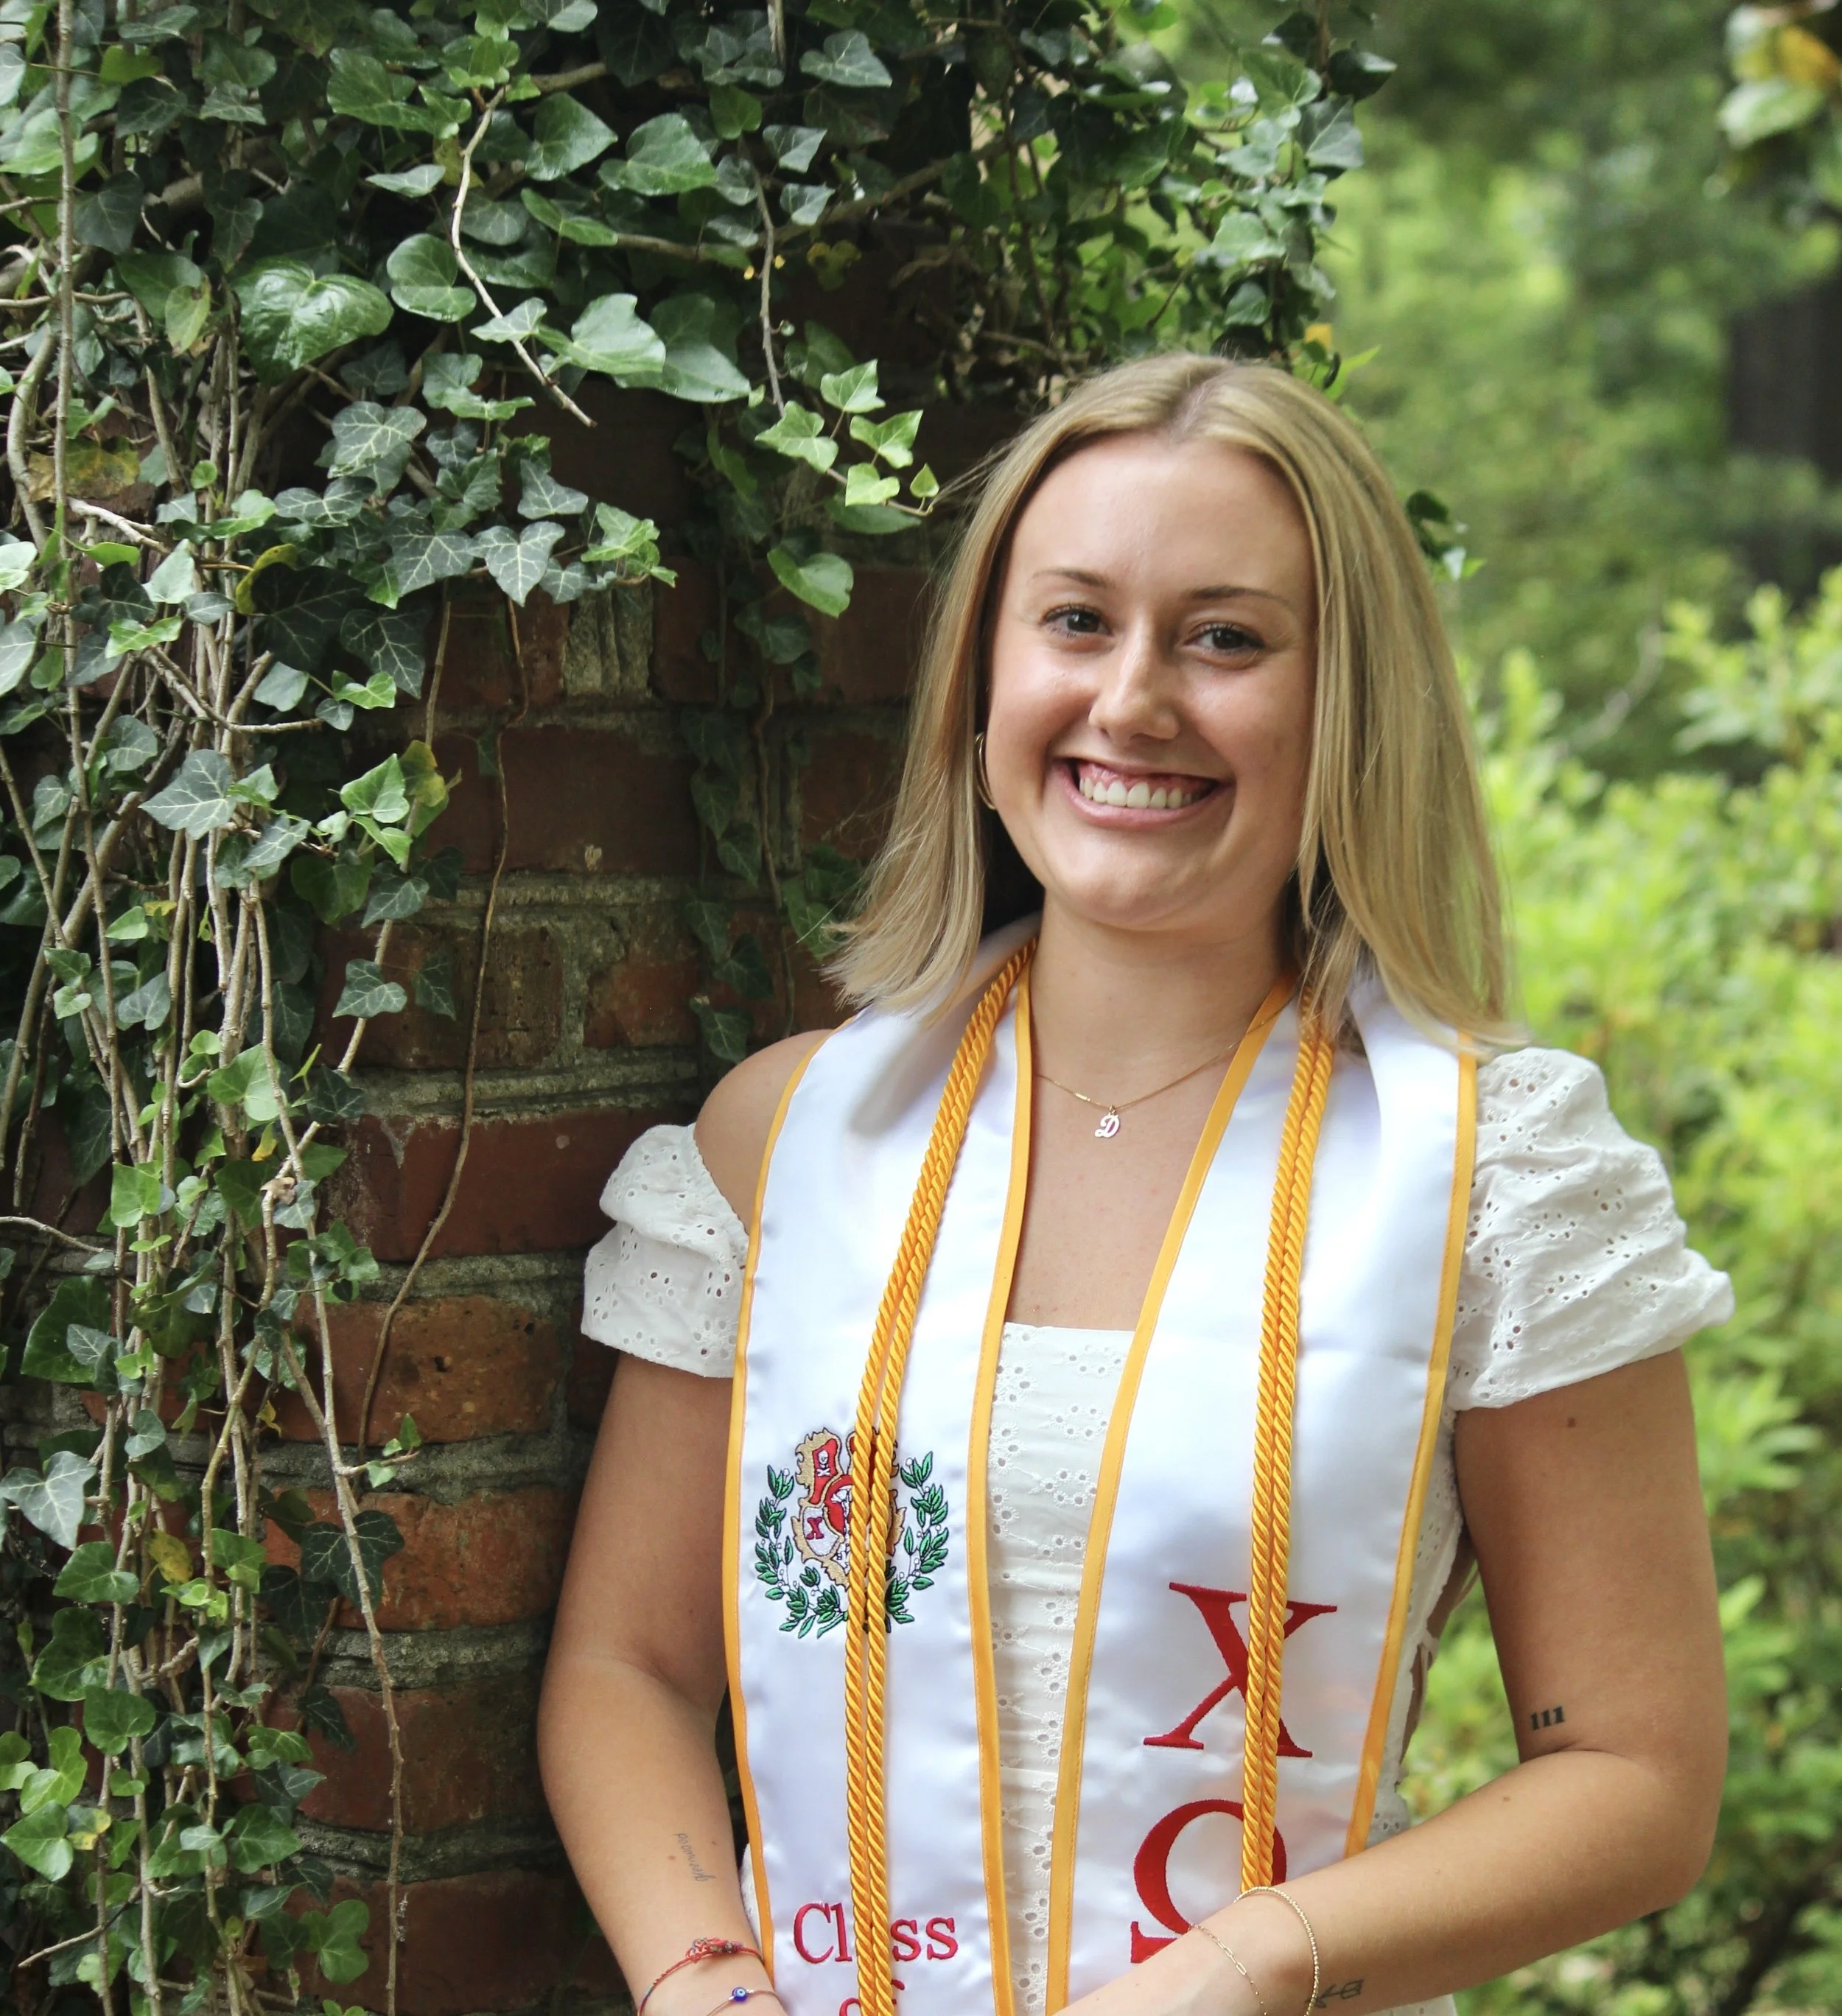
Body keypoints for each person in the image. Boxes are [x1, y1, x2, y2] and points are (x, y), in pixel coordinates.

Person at [538, 354, 1731, 2016]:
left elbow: (1630, 1774)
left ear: (1344, 708)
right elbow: (630, 1669)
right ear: (979, 683)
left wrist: (1246, 1965)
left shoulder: (1492, 1181)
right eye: (1076, 622)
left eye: (1224, 637)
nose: (1133, 703)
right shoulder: (784, 1147)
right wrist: (701, 1983)